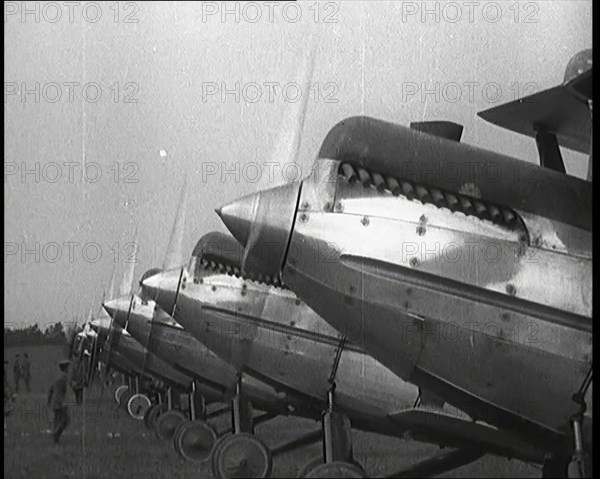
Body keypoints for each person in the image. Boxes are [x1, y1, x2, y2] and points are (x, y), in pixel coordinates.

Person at [47, 360, 70, 445]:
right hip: (59, 403)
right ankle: (56, 435)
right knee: (65, 420)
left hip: (55, 402)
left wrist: (49, 401)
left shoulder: (57, 377)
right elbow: (60, 392)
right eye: (67, 367)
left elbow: (50, 389)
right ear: (66, 368)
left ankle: (56, 439)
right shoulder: (63, 378)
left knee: (57, 420)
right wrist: (63, 403)